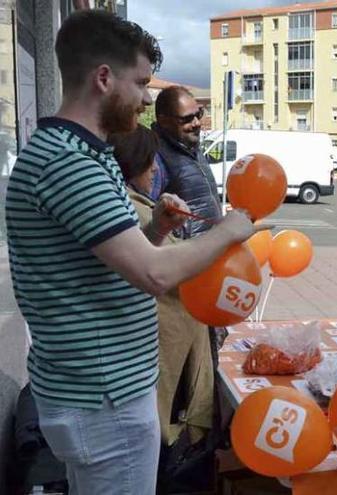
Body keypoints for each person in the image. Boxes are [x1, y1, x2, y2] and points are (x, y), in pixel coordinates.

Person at [3, 11, 266, 494]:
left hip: (100, 394)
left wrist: (157, 229)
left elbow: (106, 265)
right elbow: (153, 275)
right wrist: (229, 231)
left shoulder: (81, 153)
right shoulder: (68, 164)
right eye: (141, 82)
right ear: (104, 78)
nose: (147, 98)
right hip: (104, 402)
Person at [108, 126, 214, 455]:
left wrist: (160, 227)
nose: (156, 169)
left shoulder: (137, 203)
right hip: (153, 353)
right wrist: (225, 235)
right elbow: (160, 269)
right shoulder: (127, 207)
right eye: (149, 161)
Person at [152, 85, 221, 238]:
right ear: (164, 121)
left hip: (211, 252)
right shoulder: (156, 157)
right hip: (186, 256)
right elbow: (148, 215)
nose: (197, 122)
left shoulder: (192, 148)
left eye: (199, 114)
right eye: (187, 119)